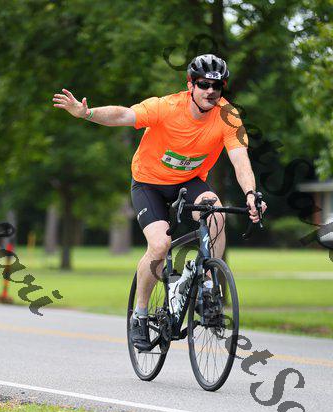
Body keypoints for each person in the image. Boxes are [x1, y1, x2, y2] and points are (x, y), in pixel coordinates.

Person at [53, 53, 267, 351]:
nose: (210, 91)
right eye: (203, 84)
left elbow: (240, 159)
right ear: (190, 85)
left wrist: (250, 194)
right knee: (159, 245)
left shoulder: (228, 116)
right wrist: (86, 113)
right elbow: (124, 115)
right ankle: (139, 315)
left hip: (189, 181)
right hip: (148, 183)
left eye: (217, 86)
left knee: (216, 212)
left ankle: (208, 290)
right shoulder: (166, 107)